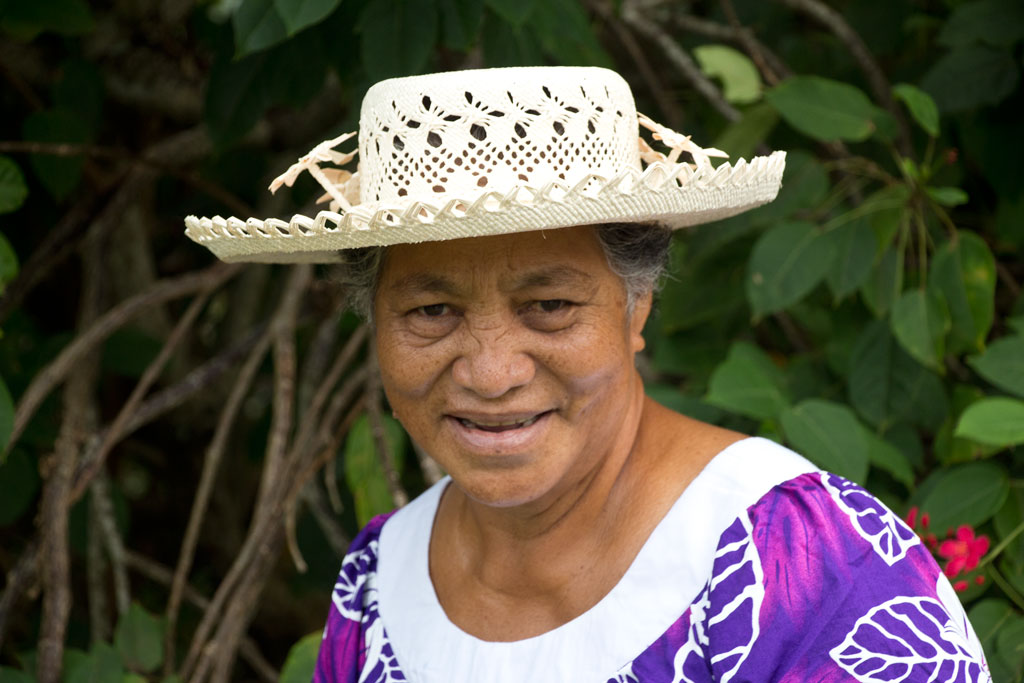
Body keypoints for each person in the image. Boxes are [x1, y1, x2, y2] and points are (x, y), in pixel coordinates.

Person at [185, 67, 990, 682]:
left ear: (637, 308)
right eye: (430, 313)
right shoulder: (379, 585)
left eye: (550, 305)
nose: (493, 373)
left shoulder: (806, 565)